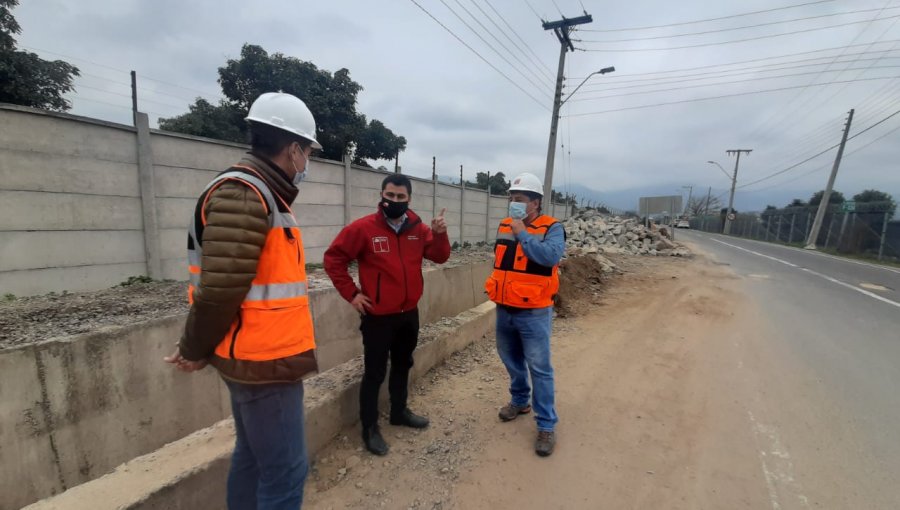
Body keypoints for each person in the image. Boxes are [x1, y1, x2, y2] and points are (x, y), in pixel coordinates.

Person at [164, 92, 321, 509]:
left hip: (258, 357)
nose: (307, 163)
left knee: (252, 458)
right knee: (286, 473)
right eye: (307, 152)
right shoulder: (245, 195)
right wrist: (193, 349)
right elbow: (220, 290)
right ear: (292, 149)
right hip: (261, 364)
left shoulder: (261, 193)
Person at [323, 174, 450, 455]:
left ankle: (399, 411)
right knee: (375, 373)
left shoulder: (418, 229)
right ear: (381, 195)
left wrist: (440, 234)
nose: (394, 201)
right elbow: (334, 259)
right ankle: (369, 428)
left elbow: (440, 257)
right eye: (389, 196)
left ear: (409, 199)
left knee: (403, 364)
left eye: (400, 197)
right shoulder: (364, 229)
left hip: (408, 314)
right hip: (378, 316)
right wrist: (352, 293)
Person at [484, 172, 566, 457]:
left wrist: (524, 234)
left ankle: (546, 425)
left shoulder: (552, 228)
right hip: (504, 308)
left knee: (540, 369)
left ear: (536, 202)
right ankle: (520, 401)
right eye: (511, 198)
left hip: (534, 312)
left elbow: (549, 257)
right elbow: (502, 263)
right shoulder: (505, 225)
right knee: (510, 360)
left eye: (519, 199)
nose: (513, 204)